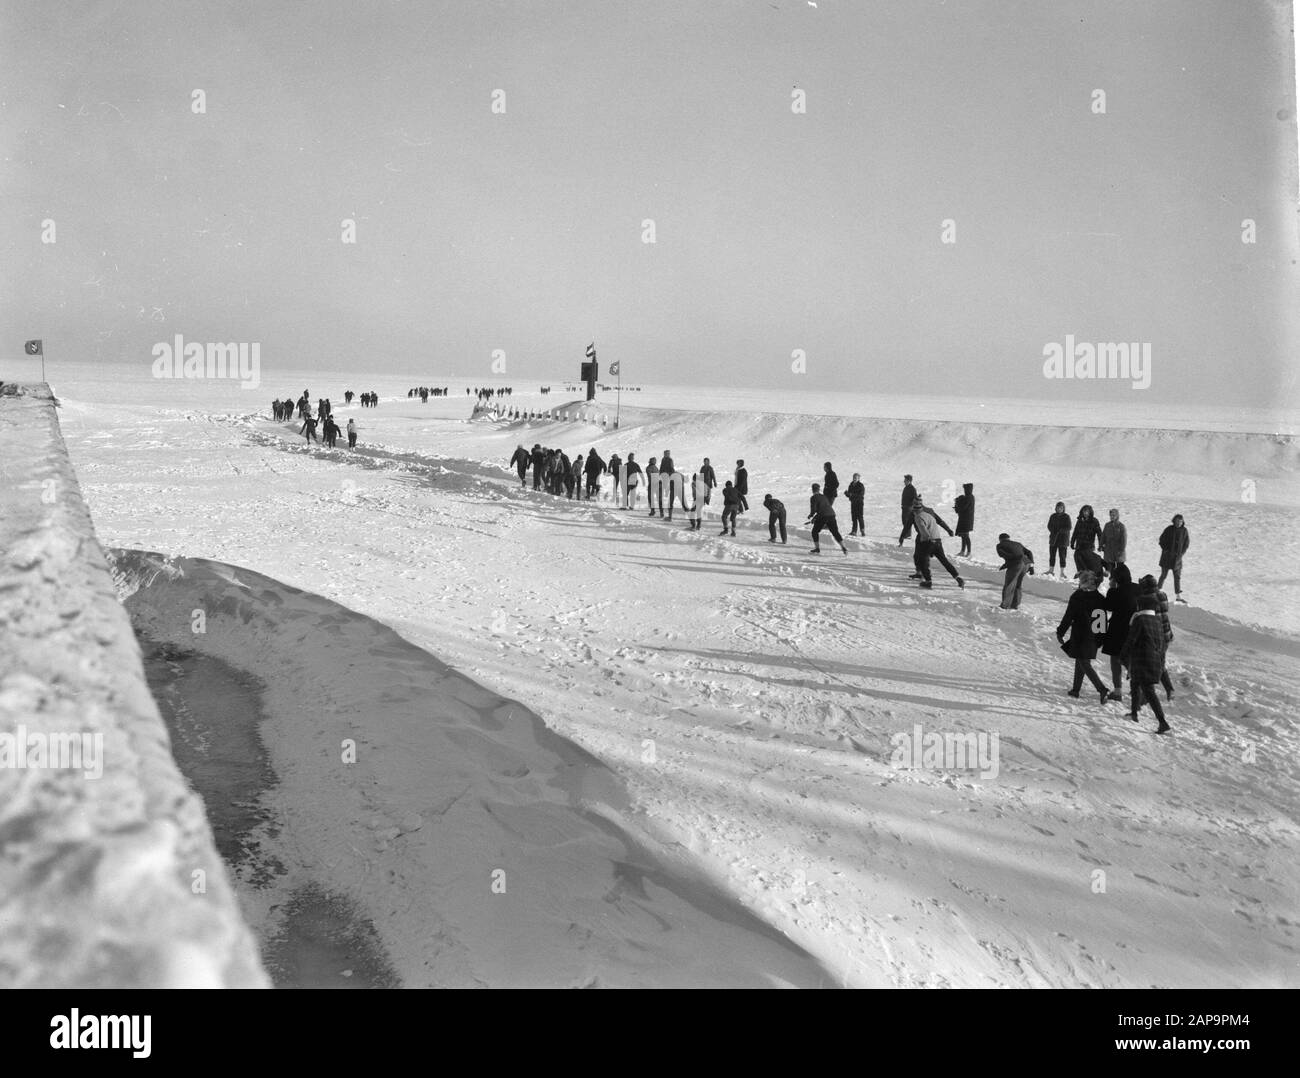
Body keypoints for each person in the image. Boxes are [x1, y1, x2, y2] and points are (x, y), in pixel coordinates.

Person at [1120, 595, 1172, 734]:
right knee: (1135, 683)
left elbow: (1131, 639)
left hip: (1142, 660)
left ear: (1141, 606)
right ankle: (1134, 713)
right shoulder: (1157, 620)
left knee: (1149, 691)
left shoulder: (1140, 620)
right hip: (1154, 659)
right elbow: (1161, 643)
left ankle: (1162, 722)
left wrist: (1123, 654)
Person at [1056, 571, 1110, 703]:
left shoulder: (1077, 596)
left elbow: (1069, 616)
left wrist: (1060, 631)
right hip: (1094, 635)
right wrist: (1101, 638)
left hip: (1081, 634)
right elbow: (1102, 620)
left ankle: (1102, 689)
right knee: (1081, 660)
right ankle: (1075, 690)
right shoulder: (1100, 598)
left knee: (1083, 662)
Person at [1101, 563, 1139, 700]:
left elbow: (1107, 607)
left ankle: (1117, 691)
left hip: (1117, 631)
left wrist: (1111, 589)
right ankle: (1139, 689)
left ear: (1116, 579)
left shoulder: (1114, 592)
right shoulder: (1138, 588)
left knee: (1115, 660)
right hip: (1135, 631)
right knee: (1130, 660)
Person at [1138, 574, 1176, 700]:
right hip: (1166, 633)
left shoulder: (1147, 599)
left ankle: (1148, 693)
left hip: (1155, 635)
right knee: (1160, 663)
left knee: (1151, 664)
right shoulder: (1163, 595)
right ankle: (1169, 689)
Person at [911, 495, 962, 587]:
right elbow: (938, 523)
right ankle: (957, 577)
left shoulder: (918, 517)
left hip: (929, 541)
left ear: (914, 510)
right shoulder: (929, 515)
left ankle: (928, 581)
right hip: (938, 541)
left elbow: (924, 533)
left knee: (922, 560)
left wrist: (924, 543)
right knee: (944, 561)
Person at [995, 532, 1034, 609]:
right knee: (1018, 583)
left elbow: (1008, 556)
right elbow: (1029, 552)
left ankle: (1005, 606)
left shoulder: (1000, 545)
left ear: (1000, 540)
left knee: (1009, 584)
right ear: (1009, 538)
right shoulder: (1017, 543)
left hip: (1017, 562)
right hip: (1026, 561)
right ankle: (1015, 604)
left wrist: (1007, 564)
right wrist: (1031, 566)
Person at [806, 483, 848, 554]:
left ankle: (817, 548)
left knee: (814, 532)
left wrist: (811, 515)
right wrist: (814, 518)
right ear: (819, 489)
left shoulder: (813, 498)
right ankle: (843, 547)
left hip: (823, 516)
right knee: (835, 532)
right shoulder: (824, 496)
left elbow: (814, 509)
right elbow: (824, 508)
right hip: (831, 514)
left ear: (812, 490)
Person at [1157, 514, 1190, 603]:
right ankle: (1156, 592)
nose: (1179, 523)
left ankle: (1178, 596)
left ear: (1182, 522)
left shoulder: (1184, 531)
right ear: (1174, 521)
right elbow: (1161, 540)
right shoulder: (1169, 529)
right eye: (1177, 521)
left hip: (1177, 559)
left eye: (1180, 521)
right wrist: (1166, 550)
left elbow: (1186, 543)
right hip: (1166, 557)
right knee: (1163, 575)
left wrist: (1181, 553)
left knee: (1177, 577)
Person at [1070, 504, 1103, 578]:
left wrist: (1101, 545)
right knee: (1077, 557)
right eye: (1084, 511)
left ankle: (1091, 577)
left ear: (1090, 512)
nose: (1085, 513)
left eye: (1087, 512)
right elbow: (1075, 532)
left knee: (1087, 562)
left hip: (1089, 545)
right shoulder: (1079, 521)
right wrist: (1072, 542)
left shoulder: (1094, 521)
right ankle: (1083, 576)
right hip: (1079, 545)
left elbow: (1099, 534)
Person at [1047, 502, 1071, 577]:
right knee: (1052, 555)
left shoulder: (1066, 517)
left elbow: (1069, 527)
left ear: (1063, 509)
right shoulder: (1053, 516)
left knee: (1062, 556)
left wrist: (1060, 531)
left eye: (1061, 508)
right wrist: (1053, 530)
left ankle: (1062, 572)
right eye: (1058, 508)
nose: (1059, 509)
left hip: (1063, 539)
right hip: (1054, 539)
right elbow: (1049, 525)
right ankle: (1051, 570)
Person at [1101, 508, 1127, 575]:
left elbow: (1123, 540)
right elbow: (1103, 536)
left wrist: (1121, 550)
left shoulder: (1121, 526)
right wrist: (1101, 545)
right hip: (1109, 550)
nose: (1112, 517)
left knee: (1120, 570)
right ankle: (1112, 583)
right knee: (1111, 569)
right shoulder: (1107, 525)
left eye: (1113, 515)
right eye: (1111, 515)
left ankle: (1120, 584)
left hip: (1118, 551)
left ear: (1117, 516)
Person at [954, 483, 975, 557]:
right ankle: (963, 551)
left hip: (966, 519)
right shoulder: (970, 497)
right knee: (963, 535)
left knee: (965, 535)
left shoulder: (968, 497)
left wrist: (958, 503)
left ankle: (968, 552)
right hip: (965, 519)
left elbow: (963, 508)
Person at [898, 475, 917, 545]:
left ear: (909, 481)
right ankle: (906, 534)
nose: (904, 481)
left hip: (909, 508)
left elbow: (915, 498)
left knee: (907, 521)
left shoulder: (912, 489)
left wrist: (911, 505)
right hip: (904, 507)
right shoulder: (906, 488)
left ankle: (908, 535)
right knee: (904, 520)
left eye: (905, 480)